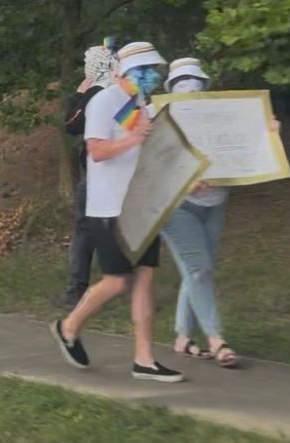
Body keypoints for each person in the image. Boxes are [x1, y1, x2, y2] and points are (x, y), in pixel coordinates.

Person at [50, 41, 183, 382]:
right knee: (118, 279)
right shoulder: (104, 100)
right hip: (108, 209)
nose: (153, 76)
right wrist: (133, 139)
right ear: (126, 72)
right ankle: (68, 327)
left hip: (139, 208)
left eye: (154, 71)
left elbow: (144, 152)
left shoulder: (136, 103)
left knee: (143, 279)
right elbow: (96, 150)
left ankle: (144, 359)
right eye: (147, 70)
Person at [159, 58, 243, 368]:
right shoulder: (163, 120)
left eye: (194, 82)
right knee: (200, 270)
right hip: (179, 207)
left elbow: (247, 144)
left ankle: (182, 336)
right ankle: (216, 339)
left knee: (194, 269)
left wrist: (270, 128)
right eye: (182, 83)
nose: (189, 88)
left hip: (216, 202)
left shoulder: (220, 117)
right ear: (172, 87)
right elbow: (155, 165)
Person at [59, 41, 117, 307]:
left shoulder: (94, 93)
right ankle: (118, 280)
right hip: (119, 167)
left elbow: (71, 125)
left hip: (96, 169)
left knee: (85, 228)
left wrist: (77, 95)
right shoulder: (121, 93)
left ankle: (76, 290)